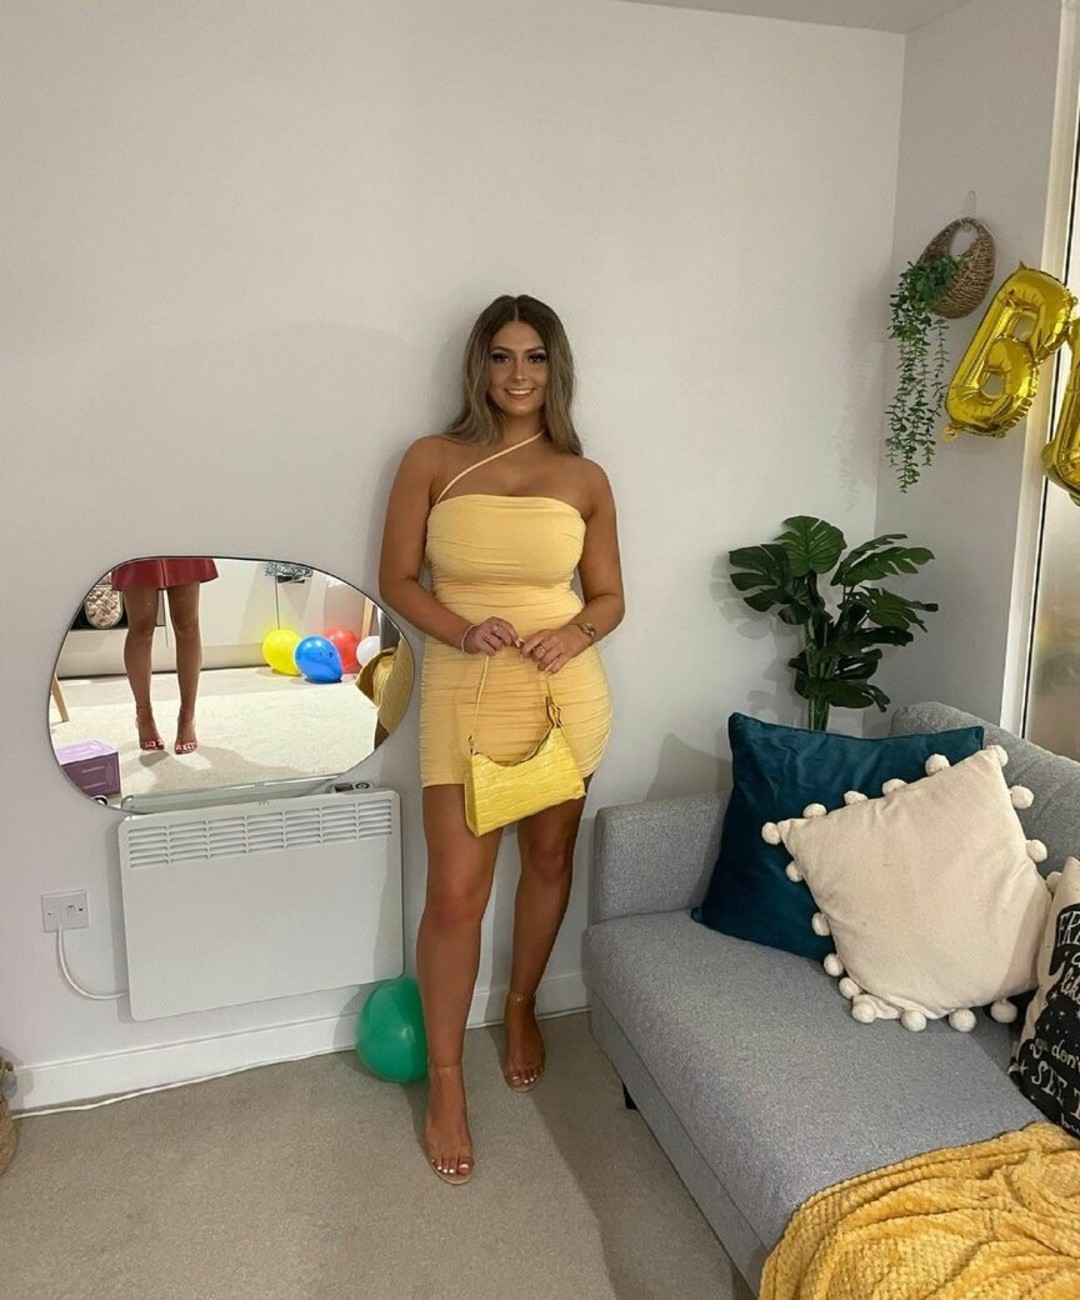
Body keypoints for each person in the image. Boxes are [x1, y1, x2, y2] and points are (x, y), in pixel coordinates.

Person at [378, 294, 624, 1185]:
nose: (518, 374)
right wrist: (458, 627)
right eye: (501, 356)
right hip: (464, 687)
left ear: (555, 369)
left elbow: (609, 598)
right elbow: (397, 578)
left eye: (534, 357)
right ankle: (447, 1081)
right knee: (455, 894)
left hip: (561, 694)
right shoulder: (431, 459)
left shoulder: (585, 476)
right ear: (478, 366)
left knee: (549, 859)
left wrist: (576, 634)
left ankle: (521, 1005)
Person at [109, 557, 219, 754]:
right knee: (141, 628)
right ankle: (144, 715)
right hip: (136, 540)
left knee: (187, 624)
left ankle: (187, 716)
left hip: (180, 540)